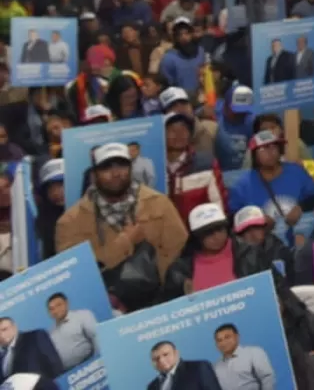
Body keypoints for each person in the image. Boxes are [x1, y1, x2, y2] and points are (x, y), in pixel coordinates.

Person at [55, 142, 188, 309]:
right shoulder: (70, 221)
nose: (116, 173)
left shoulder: (159, 203)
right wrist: (125, 242)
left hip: (160, 304)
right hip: (106, 310)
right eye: (106, 168)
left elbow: (179, 251)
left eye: (122, 166)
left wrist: (157, 292)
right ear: (94, 174)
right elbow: (75, 274)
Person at [163, 203, 275, 299]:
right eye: (208, 233)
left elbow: (277, 286)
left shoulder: (251, 253)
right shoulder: (179, 271)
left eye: (220, 229)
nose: (216, 237)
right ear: (196, 237)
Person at [212, 323, 276, 390]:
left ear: (237, 337)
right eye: (219, 340)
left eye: (227, 337)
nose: (223, 342)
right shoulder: (216, 366)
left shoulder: (253, 353)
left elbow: (267, 378)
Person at [46, 292, 97, 371]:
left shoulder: (82, 316)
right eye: (51, 309)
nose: (56, 310)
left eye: (59, 305)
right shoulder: (51, 333)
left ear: (67, 303)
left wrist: (99, 362)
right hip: (70, 376)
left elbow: (96, 337)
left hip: (91, 366)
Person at [145, 340, 220, 390]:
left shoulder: (198, 368)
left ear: (176, 353)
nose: (161, 360)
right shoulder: (152, 386)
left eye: (165, 354)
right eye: (156, 358)